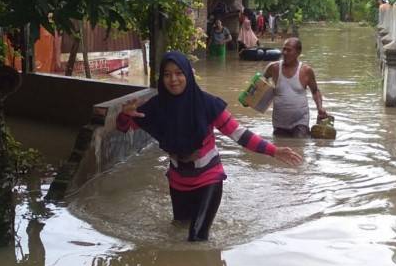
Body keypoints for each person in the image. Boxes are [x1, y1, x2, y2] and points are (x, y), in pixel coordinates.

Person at [116, 51, 303, 242]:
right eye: (167, 74)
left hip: (209, 178)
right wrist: (124, 115)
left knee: (196, 237)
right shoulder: (155, 107)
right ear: (161, 78)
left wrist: (274, 150)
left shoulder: (207, 104)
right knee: (177, 229)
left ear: (188, 74)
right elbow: (124, 128)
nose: (173, 79)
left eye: (179, 73)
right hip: (177, 180)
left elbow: (239, 134)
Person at [264, 37, 328, 138]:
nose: (284, 52)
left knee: (299, 145)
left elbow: (315, 91)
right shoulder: (273, 68)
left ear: (298, 52)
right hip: (279, 122)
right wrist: (250, 100)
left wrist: (320, 108)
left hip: (300, 122)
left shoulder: (306, 71)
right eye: (283, 49)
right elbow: (260, 84)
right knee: (280, 148)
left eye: (288, 50)